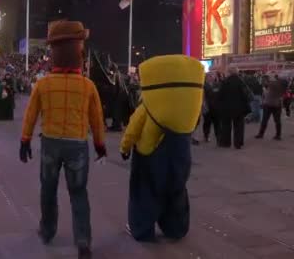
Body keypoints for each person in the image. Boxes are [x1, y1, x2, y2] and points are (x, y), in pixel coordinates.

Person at [20, 21, 106, 259]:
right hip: (77, 146)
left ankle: (47, 230)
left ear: (54, 53)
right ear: (78, 51)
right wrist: (99, 144)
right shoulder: (88, 86)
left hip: (50, 143)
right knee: (78, 193)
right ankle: (83, 241)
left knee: (48, 190)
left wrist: (25, 140)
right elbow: (97, 119)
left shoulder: (43, 84)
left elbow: (30, 114)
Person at [120, 55, 205, 243]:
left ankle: (142, 230)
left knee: (145, 194)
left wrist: (124, 148)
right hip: (181, 157)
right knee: (176, 193)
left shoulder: (149, 106)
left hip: (149, 156)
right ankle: (176, 229)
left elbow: (133, 129)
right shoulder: (190, 105)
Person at [218, 67, 250, 149]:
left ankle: (226, 143)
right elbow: (245, 95)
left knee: (226, 126)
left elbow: (220, 95)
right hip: (239, 108)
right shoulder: (241, 81)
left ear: (229, 72)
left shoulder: (225, 81)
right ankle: (238, 144)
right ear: (237, 72)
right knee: (239, 127)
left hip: (226, 108)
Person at [255, 75, 283, 140]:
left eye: (263, 80)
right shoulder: (265, 86)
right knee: (265, 120)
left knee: (276, 120)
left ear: (267, 80)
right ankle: (261, 134)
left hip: (275, 105)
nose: (262, 81)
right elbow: (264, 96)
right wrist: (263, 102)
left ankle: (277, 135)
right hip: (269, 105)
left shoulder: (273, 84)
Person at [202, 73, 221, 143]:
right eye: (211, 76)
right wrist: (204, 105)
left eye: (213, 76)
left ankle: (218, 137)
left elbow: (219, 94)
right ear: (207, 77)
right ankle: (206, 135)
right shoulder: (204, 85)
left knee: (217, 123)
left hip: (216, 107)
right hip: (208, 107)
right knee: (207, 123)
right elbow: (202, 96)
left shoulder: (217, 84)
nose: (212, 77)